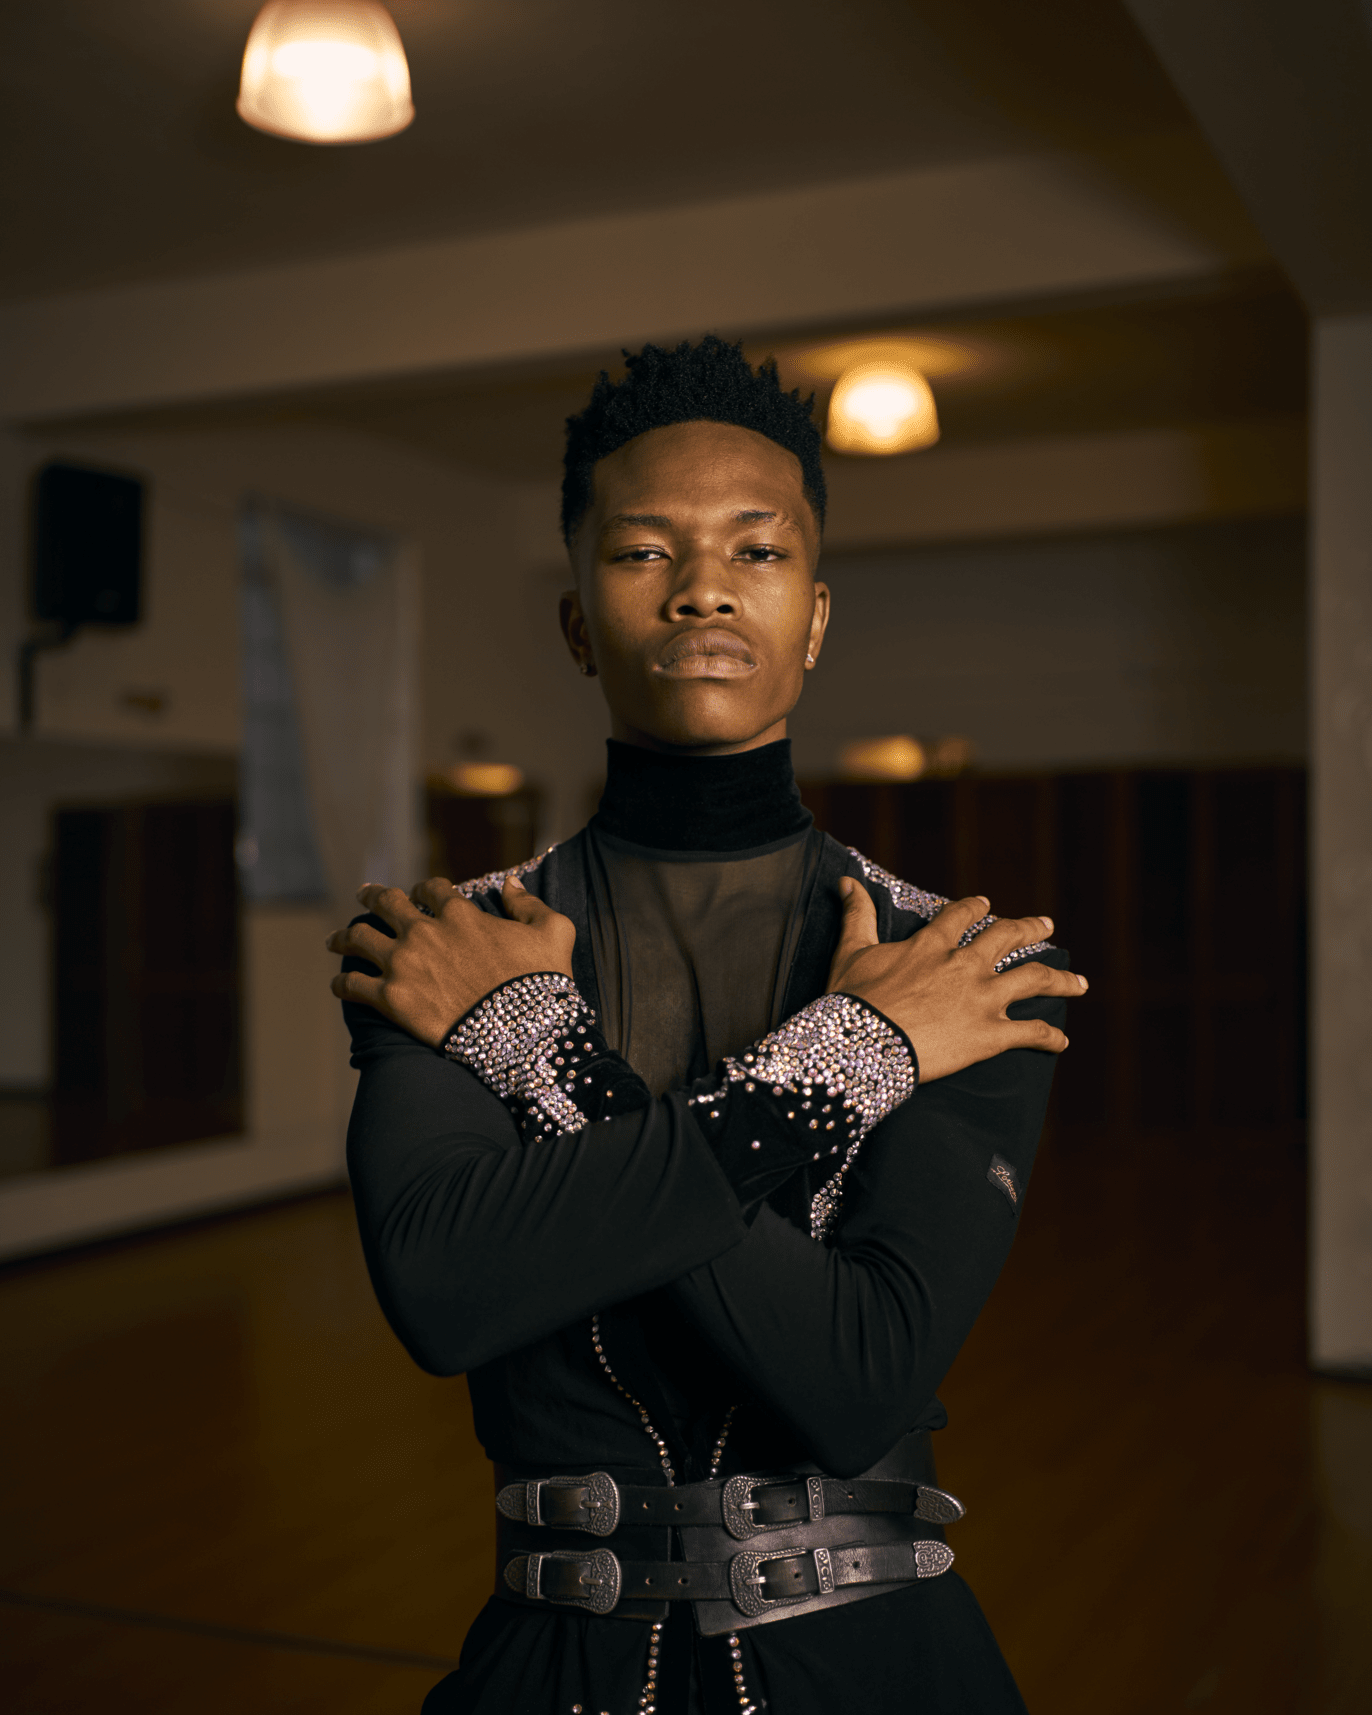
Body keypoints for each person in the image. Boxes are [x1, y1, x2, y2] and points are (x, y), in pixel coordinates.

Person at [329, 337, 1086, 1714]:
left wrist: (538, 1056)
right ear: (576, 620)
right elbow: (443, 1290)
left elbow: (857, 1374)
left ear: (813, 616)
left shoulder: (951, 965)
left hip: (876, 1667)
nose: (701, 590)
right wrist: (843, 1065)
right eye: (639, 554)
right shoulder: (447, 945)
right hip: (557, 1669)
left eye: (757, 550)